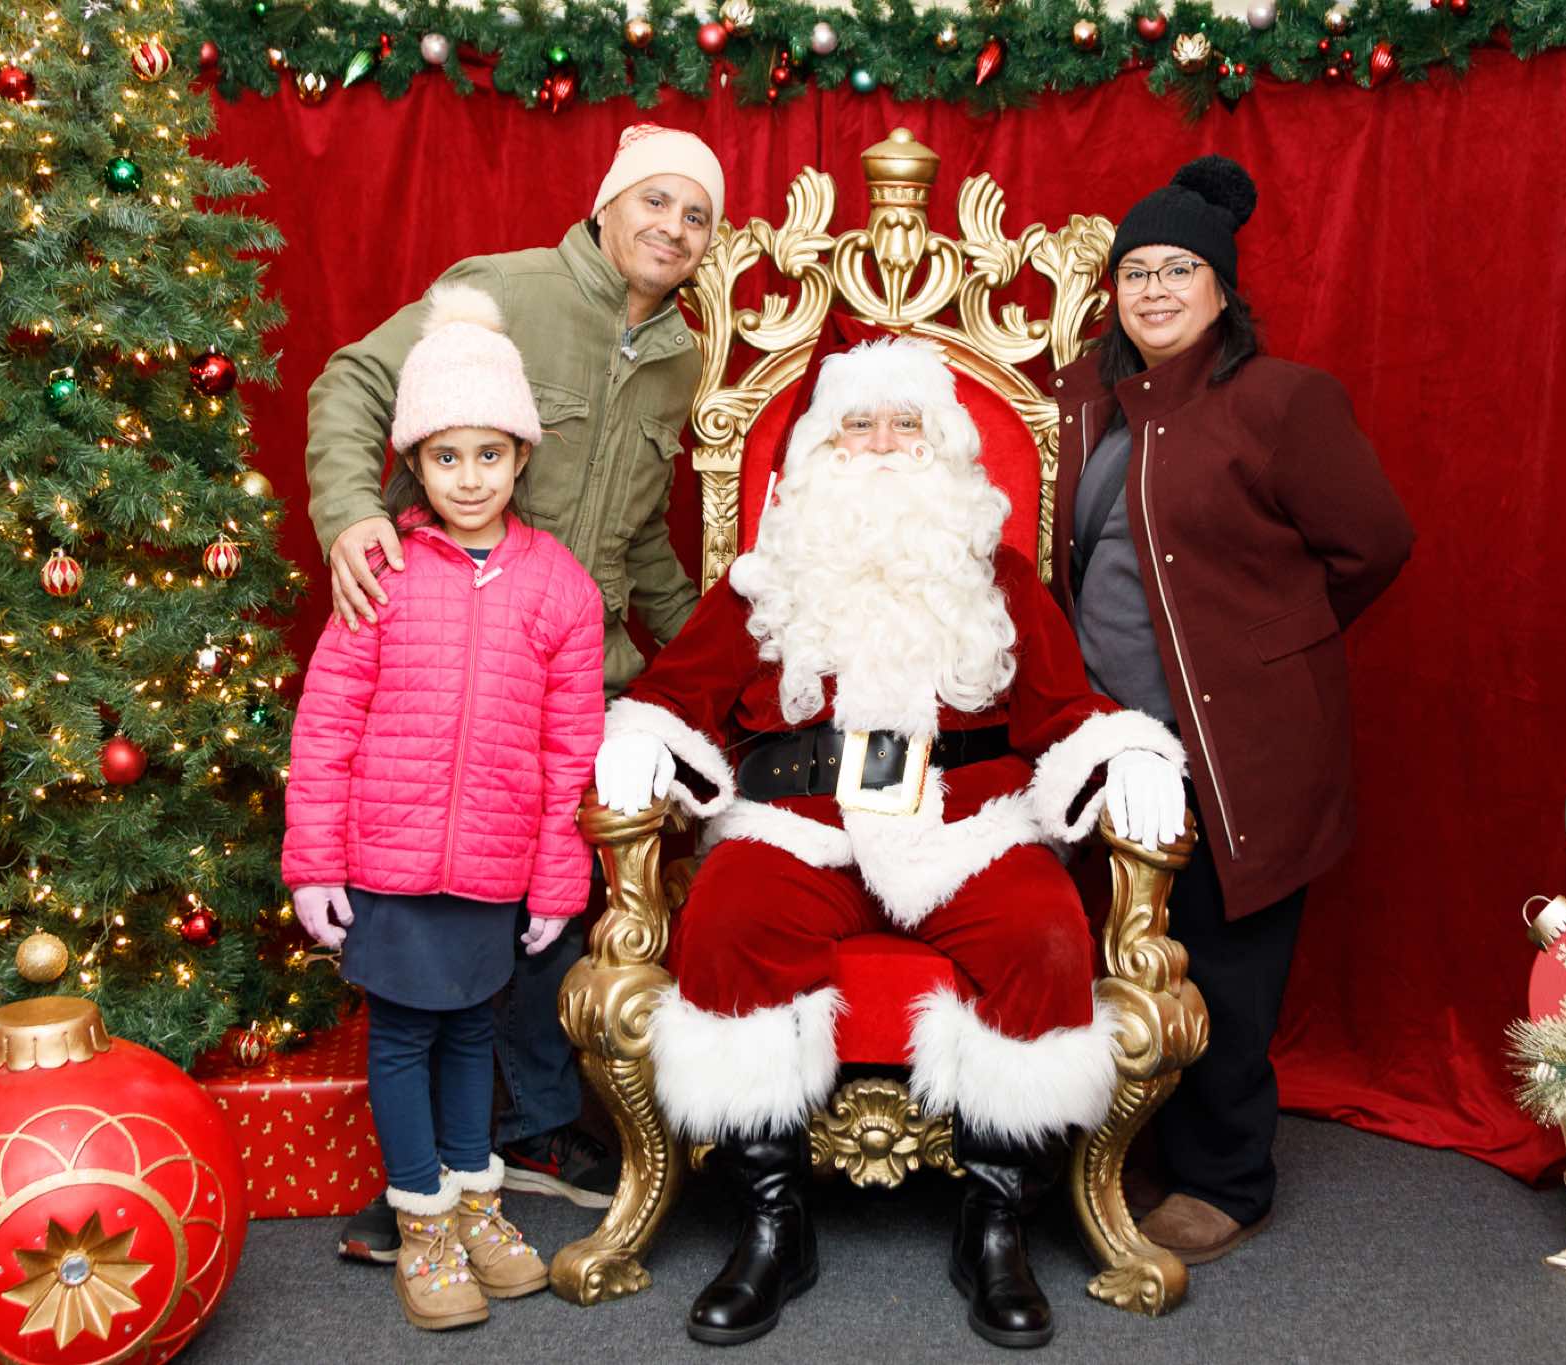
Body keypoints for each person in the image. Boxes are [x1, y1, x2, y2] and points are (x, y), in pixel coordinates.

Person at [592, 337, 1189, 1349]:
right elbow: (675, 689)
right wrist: (643, 738)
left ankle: (994, 1221)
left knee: (1045, 933)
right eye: (855, 425)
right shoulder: (766, 579)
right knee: (729, 918)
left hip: (965, 829)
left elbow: (1064, 708)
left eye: (903, 424)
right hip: (798, 827)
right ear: (819, 449)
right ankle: (773, 1223)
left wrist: (1125, 750)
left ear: (941, 445)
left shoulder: (997, 576)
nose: (878, 444)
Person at [305, 123, 723, 1256]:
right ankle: (427, 1179)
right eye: (655, 201)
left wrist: (719, 647)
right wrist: (351, 513)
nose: (672, 228)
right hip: (446, 654)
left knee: (548, 909)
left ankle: (527, 1132)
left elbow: (639, 540)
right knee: (437, 907)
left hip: (572, 672)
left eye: (696, 216)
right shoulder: (504, 291)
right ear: (607, 204)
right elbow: (354, 381)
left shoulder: (680, 359)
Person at [1047, 157, 1415, 1265]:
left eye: (1180, 270)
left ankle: (1225, 1178)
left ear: (1221, 288)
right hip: (1107, 738)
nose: (1155, 289)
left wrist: (1268, 650)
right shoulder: (1080, 394)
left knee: (1222, 957)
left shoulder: (1282, 400)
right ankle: (1125, 1145)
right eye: (1136, 272)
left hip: (1235, 741)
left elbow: (1374, 544)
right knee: (1110, 945)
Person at [284, 285, 606, 1330]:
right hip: (387, 861)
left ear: (521, 456)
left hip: (493, 865)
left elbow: (570, 752)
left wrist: (557, 879)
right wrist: (314, 863)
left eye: (489, 454)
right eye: (446, 456)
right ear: (414, 464)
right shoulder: (379, 571)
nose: (470, 477)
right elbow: (326, 723)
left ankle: (475, 1201)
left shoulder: (560, 588)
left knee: (472, 1033)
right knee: (402, 1038)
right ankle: (420, 1218)